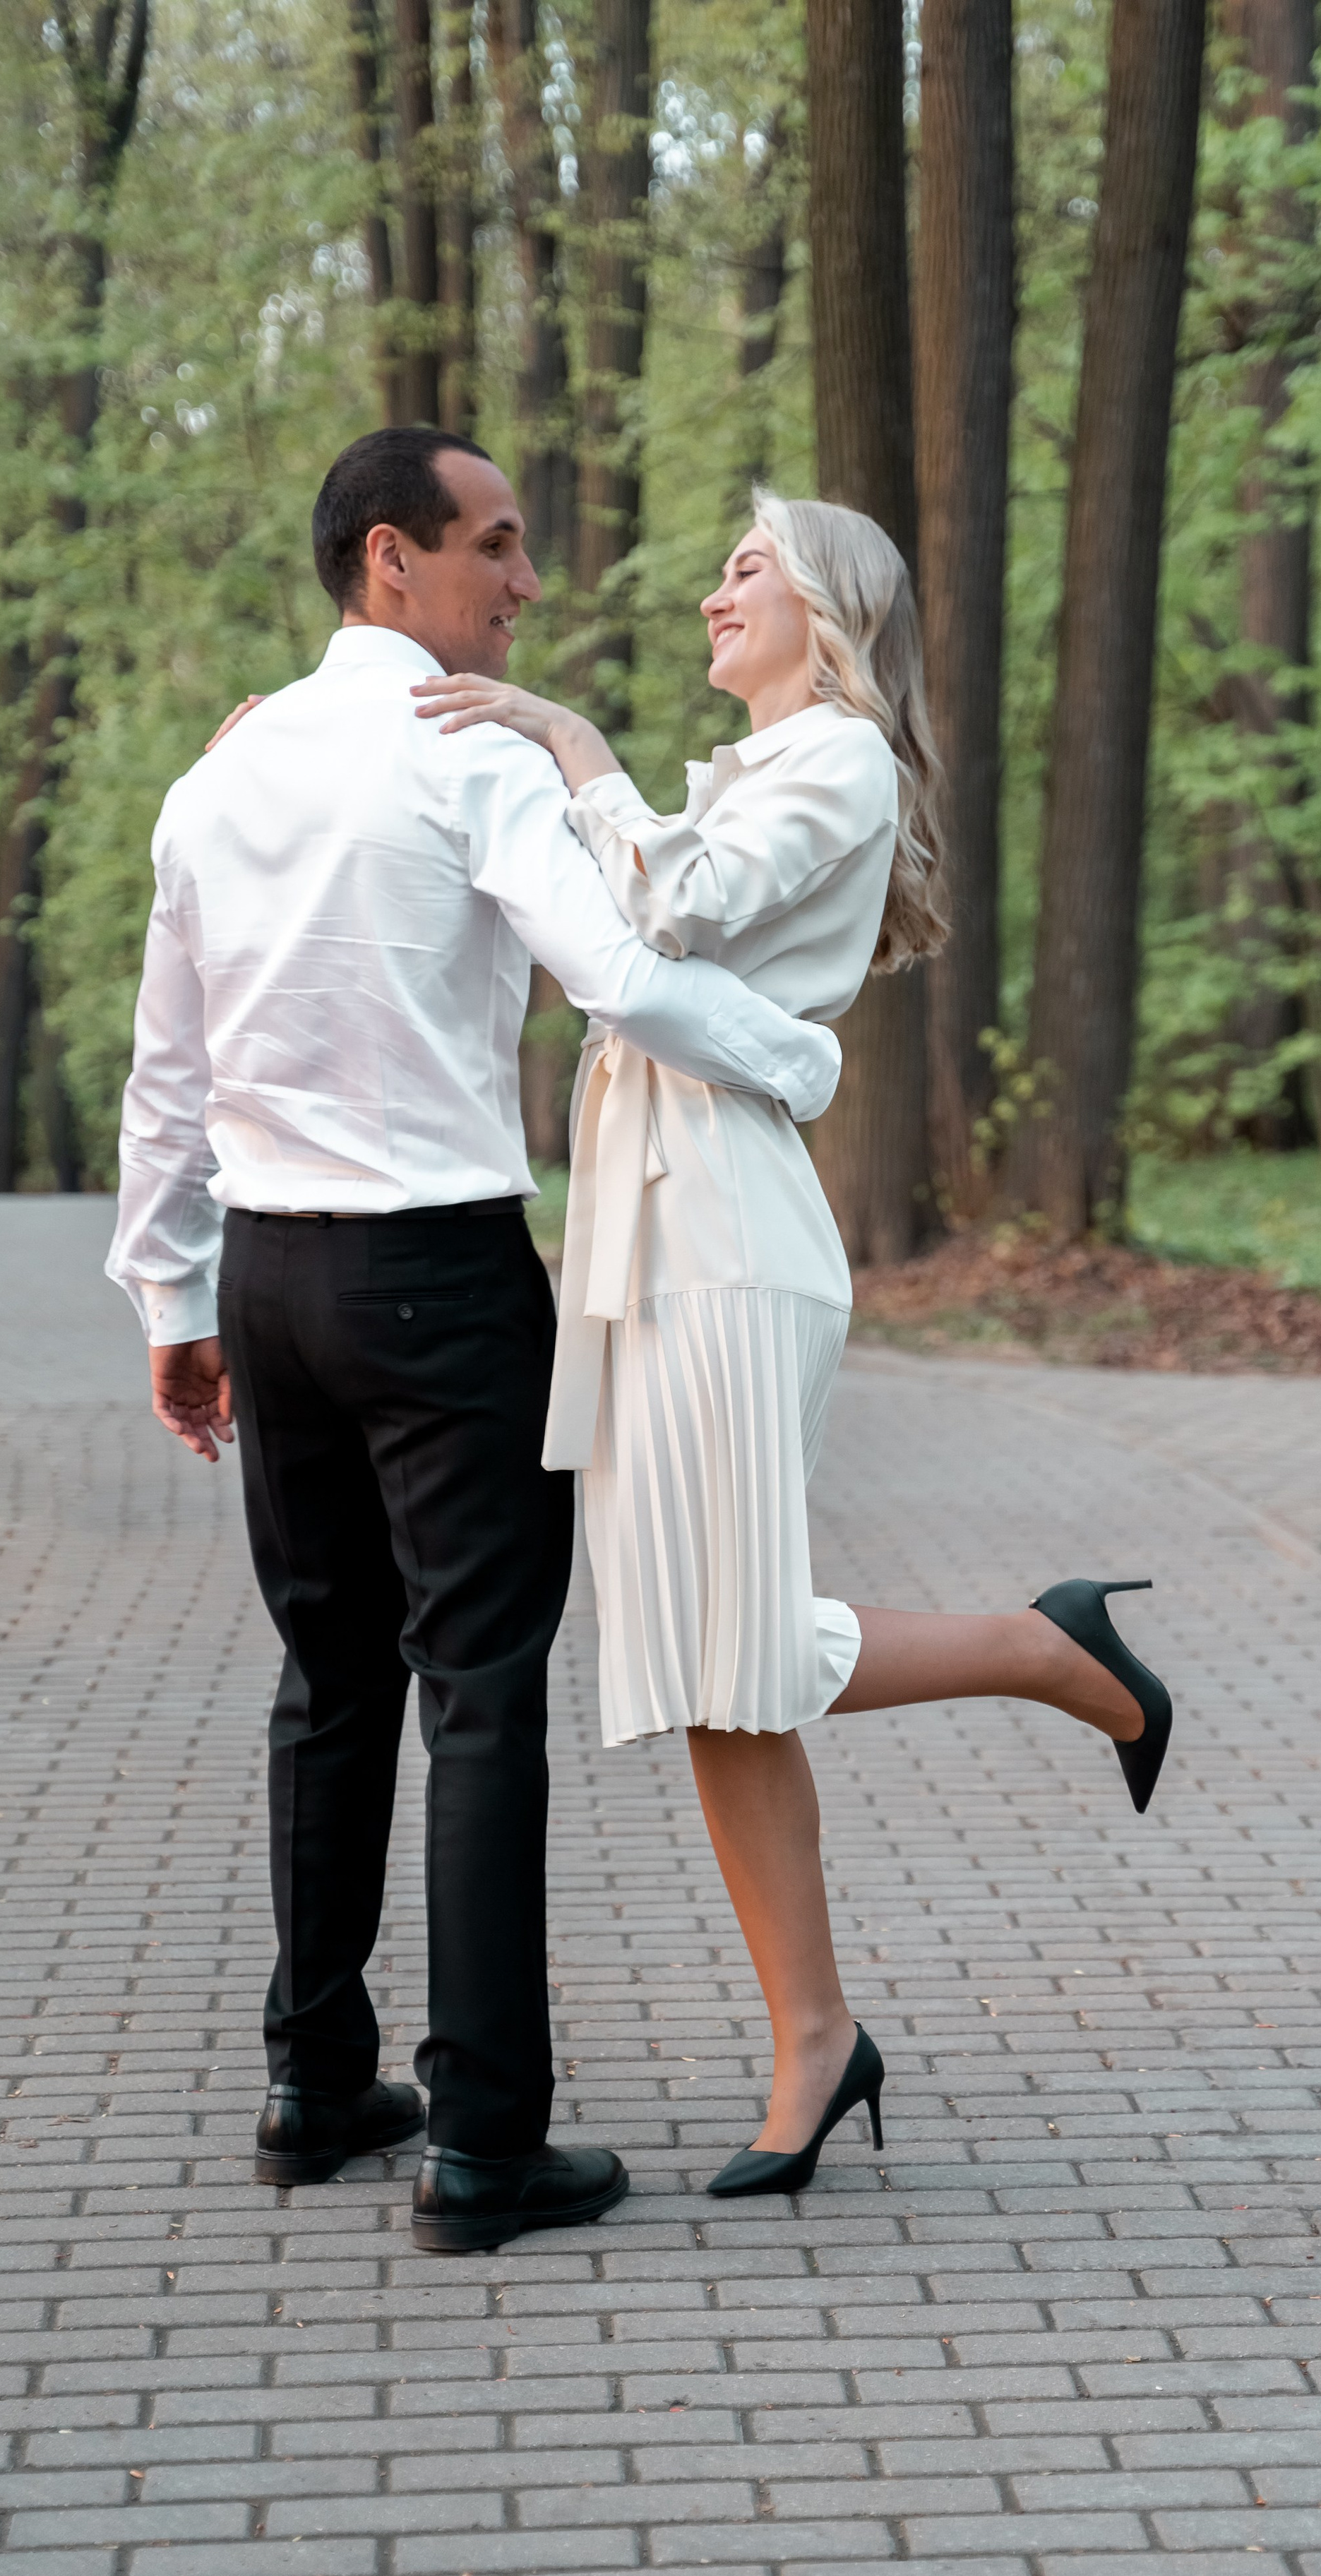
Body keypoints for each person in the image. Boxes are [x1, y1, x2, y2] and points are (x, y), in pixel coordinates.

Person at [106, 428, 849, 2255]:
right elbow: (620, 972)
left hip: (271, 1282)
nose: (525, 584)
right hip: (439, 1282)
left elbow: (168, 1073)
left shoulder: (224, 775)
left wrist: (173, 1303)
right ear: (392, 561)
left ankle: (312, 2082)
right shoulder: (467, 753)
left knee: (328, 1676)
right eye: (498, 548)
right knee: (478, 1692)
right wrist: (804, 1058)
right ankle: (483, 2145)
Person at [403, 489, 1174, 2200]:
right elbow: (595, 901)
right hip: (647, 1223)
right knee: (703, 1675)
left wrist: (572, 736)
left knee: (734, 1645)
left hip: (730, 1234)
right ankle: (814, 2038)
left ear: (828, 606)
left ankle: (1051, 1655)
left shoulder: (832, 759)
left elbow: (663, 915)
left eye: (743, 566)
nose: (708, 591)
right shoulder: (750, 774)